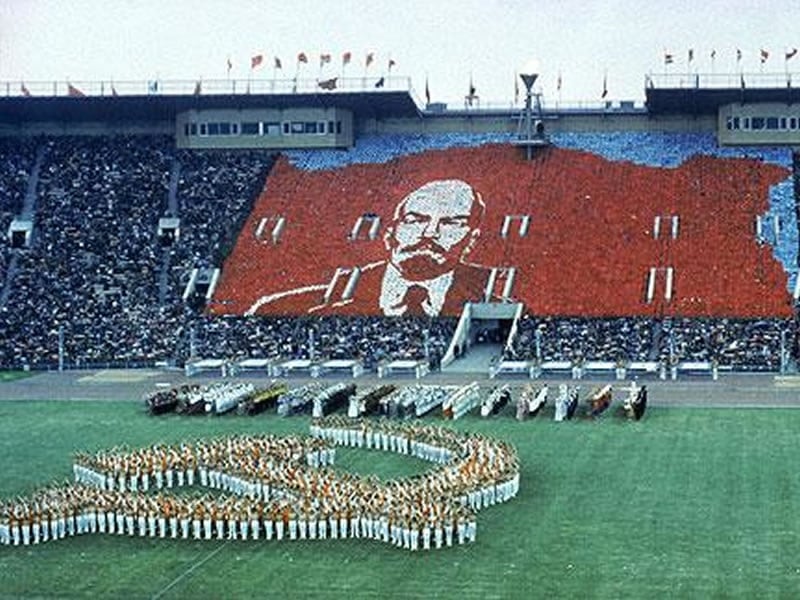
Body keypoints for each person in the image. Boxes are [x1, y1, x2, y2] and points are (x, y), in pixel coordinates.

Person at [246, 179, 495, 317]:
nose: (430, 233)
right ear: (389, 233)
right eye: (415, 220)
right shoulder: (278, 307)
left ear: (471, 239)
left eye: (452, 223)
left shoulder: (496, 303)